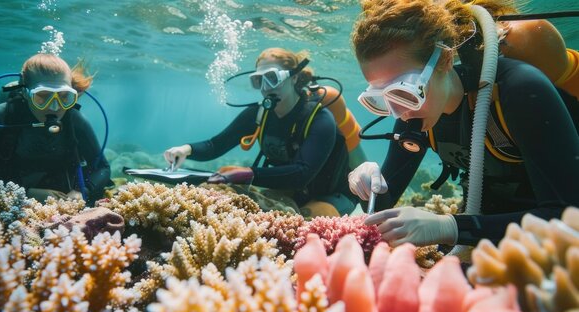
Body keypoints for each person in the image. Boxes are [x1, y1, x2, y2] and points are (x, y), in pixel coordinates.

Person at [347, 0, 579, 248]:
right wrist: (370, 186)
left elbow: (569, 217)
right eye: (381, 99)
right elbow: (384, 203)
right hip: (494, 231)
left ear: (445, 60)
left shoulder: (518, 90)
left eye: (405, 91)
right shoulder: (413, 113)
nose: (398, 113)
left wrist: (451, 227)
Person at [164, 48, 361, 217]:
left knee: (305, 222)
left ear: (293, 78)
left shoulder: (319, 119)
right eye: (259, 81)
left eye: (272, 78)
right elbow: (216, 145)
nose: (266, 88)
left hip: (334, 194)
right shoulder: (259, 113)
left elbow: (302, 174)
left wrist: (248, 173)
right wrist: (186, 149)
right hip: (292, 190)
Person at [0, 53, 112, 204]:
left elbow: (102, 168)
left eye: (64, 96)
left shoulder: (74, 121)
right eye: (43, 96)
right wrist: (26, 193)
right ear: (25, 93)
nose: (55, 106)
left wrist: (82, 191)